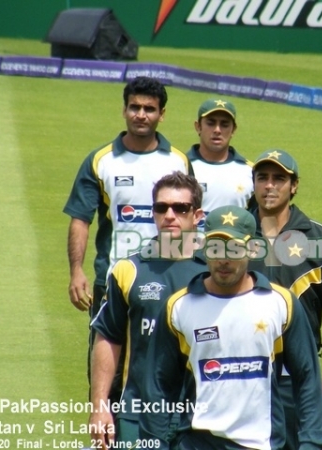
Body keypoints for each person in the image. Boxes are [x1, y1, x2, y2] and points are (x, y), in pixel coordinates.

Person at [139, 205, 322, 450]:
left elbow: (307, 380)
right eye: (215, 247)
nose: (223, 259)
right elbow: (158, 387)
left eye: (234, 248)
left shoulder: (281, 304)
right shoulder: (178, 307)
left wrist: (311, 444)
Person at [63, 76, 192, 391]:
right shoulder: (100, 160)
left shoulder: (177, 161)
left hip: (167, 276)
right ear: (124, 110)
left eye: (149, 108)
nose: (141, 114)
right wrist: (76, 270)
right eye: (134, 107)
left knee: (168, 364)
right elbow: (81, 218)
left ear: (162, 114)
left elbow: (189, 219)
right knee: (107, 369)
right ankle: (103, 437)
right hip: (112, 280)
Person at [247, 150, 322, 450]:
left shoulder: (318, 237)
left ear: (294, 186)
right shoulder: (233, 237)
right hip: (241, 370)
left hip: (296, 374)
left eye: (279, 179)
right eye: (263, 178)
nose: (270, 186)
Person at [89, 172, 207, 449]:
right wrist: (99, 406)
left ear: (198, 215)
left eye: (180, 208)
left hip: (203, 414)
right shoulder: (128, 270)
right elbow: (108, 337)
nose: (169, 215)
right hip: (138, 412)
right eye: (161, 207)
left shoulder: (218, 272)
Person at [186, 98, 254, 227]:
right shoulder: (180, 166)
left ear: (233, 129)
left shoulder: (251, 171)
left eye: (224, 124)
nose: (217, 130)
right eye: (211, 123)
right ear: (198, 126)